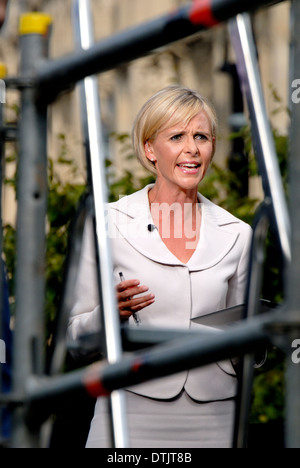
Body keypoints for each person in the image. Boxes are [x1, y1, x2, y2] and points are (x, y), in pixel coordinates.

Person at [67, 85, 253, 448]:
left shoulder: (238, 233)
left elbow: (245, 342)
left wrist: (253, 336)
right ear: (150, 148)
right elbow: (74, 339)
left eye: (201, 136)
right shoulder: (107, 222)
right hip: (127, 408)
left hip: (216, 414)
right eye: (177, 136)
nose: (192, 149)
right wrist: (110, 314)